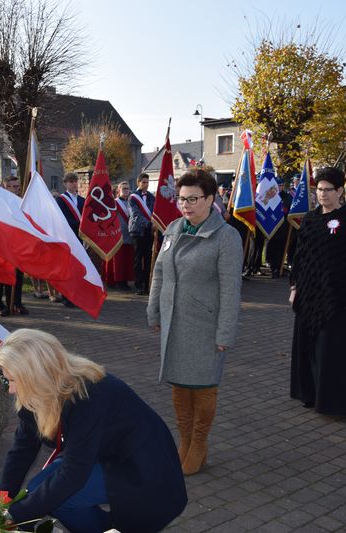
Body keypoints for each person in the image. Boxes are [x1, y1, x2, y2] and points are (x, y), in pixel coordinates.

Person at [0, 329, 187, 533]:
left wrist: (16, 516)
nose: (11, 390)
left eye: (14, 380)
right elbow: (22, 450)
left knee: (58, 498)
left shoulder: (90, 393)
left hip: (142, 468)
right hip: (102, 455)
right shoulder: (37, 393)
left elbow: (73, 473)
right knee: (38, 493)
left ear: (37, 375)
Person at [147, 168, 243, 475]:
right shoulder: (174, 228)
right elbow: (160, 271)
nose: (186, 205)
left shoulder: (226, 237)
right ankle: (184, 440)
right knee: (179, 384)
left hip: (205, 325)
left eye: (193, 199)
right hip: (175, 320)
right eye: (181, 198)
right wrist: (154, 309)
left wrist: (225, 330)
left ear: (211, 199)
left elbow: (231, 289)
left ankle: (199, 443)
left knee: (203, 386)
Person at [289, 166, 346, 417]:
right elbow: (299, 256)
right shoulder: (310, 219)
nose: (322, 194)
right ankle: (310, 393)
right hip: (308, 293)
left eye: (328, 190)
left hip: (338, 295)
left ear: (340, 191)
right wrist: (294, 287)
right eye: (319, 190)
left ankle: (335, 402)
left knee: (332, 351)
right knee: (309, 346)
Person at [0, 175, 28, 316]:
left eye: (16, 187)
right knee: (3, 275)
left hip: (18, 245)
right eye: (10, 186)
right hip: (2, 245)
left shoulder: (21, 203)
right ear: (4, 187)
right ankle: (3, 303)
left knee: (18, 276)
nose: (14, 189)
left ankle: (16, 303)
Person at [55, 172, 84, 307]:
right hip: (67, 237)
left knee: (77, 267)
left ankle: (76, 295)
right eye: (71, 181)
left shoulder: (83, 200)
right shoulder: (60, 200)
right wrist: (79, 225)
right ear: (65, 184)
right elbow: (63, 218)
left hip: (80, 237)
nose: (73, 184)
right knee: (67, 267)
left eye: (75, 181)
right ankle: (65, 296)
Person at [129, 173, 156, 295]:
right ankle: (138, 285)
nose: (146, 184)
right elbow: (135, 215)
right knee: (138, 259)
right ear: (138, 183)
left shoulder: (151, 197)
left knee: (148, 258)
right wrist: (149, 224)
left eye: (147, 182)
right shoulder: (133, 197)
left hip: (149, 232)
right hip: (137, 231)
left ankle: (147, 284)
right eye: (143, 182)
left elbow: (154, 212)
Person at [104, 182, 134, 290]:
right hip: (118, 234)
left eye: (128, 189)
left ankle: (125, 280)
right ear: (119, 191)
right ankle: (118, 281)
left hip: (129, 235)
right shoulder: (115, 203)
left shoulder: (131, 202)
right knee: (118, 260)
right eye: (124, 189)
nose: (126, 191)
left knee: (127, 259)